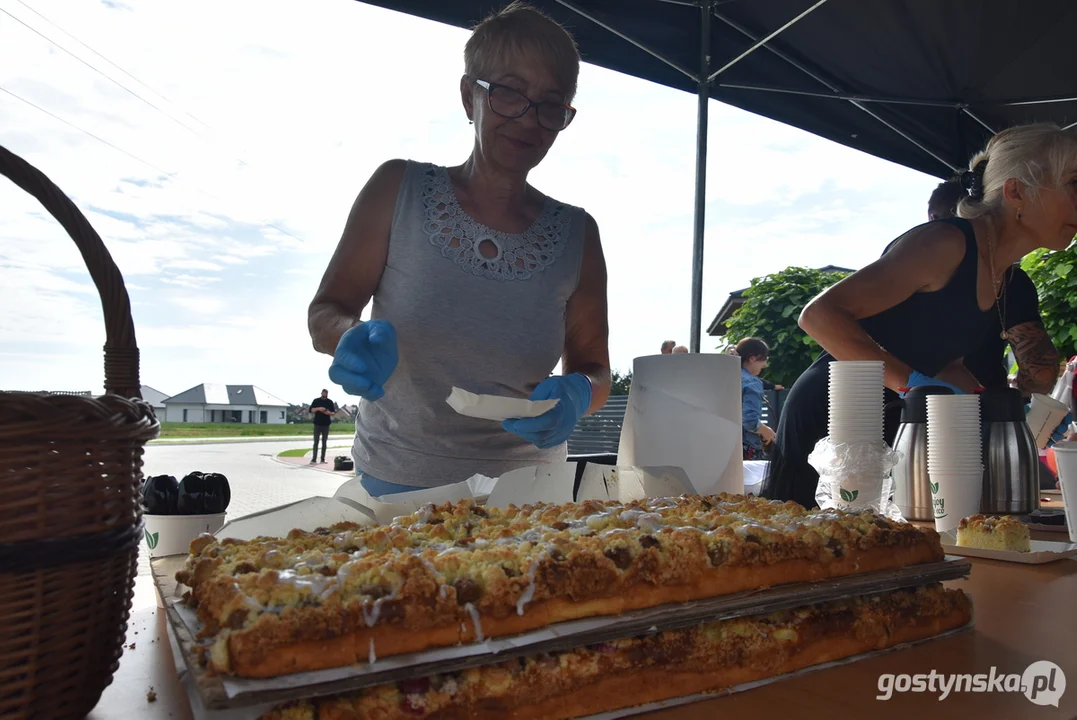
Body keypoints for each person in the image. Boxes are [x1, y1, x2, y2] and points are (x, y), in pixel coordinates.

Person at [308, 2, 611, 495]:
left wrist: (579, 393)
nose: (530, 120)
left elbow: (595, 366)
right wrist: (346, 335)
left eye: (551, 105)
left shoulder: (579, 233)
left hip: (531, 493)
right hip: (398, 481)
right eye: (510, 93)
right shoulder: (397, 188)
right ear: (470, 95)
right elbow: (328, 308)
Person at [764, 123, 1077, 509]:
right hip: (836, 416)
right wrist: (911, 383)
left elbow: (940, 358)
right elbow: (819, 315)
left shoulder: (1003, 271)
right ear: (1016, 191)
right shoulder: (946, 243)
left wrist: (995, 404)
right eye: (1074, 182)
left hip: (895, 427)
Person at [927, 178, 1059, 394]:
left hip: (899, 413)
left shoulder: (898, 269)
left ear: (932, 218)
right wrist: (1018, 408)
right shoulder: (1008, 278)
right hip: (984, 416)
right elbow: (1040, 371)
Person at [738, 337, 776, 460]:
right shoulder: (752, 383)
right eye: (764, 359)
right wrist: (767, 431)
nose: (765, 364)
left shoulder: (728, 375)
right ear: (752, 358)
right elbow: (750, 421)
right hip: (747, 448)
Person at [309, 389, 337, 465]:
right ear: (321, 393)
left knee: (324, 442)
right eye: (324, 393)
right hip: (317, 424)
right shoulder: (316, 401)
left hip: (326, 424)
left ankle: (322, 459)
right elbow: (311, 410)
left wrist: (328, 413)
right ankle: (314, 459)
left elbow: (333, 413)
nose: (325, 394)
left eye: (326, 393)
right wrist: (319, 408)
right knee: (316, 442)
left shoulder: (329, 402)